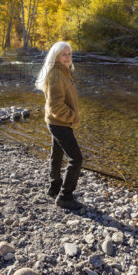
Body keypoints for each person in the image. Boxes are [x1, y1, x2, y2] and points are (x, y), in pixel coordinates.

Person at [35, 41, 83, 210]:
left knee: (56, 155)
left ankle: (54, 187)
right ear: (55, 56)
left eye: (69, 54)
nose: (68, 57)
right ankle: (65, 197)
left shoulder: (63, 71)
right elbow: (56, 106)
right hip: (60, 123)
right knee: (76, 159)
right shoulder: (56, 75)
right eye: (64, 54)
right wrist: (72, 118)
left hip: (55, 122)